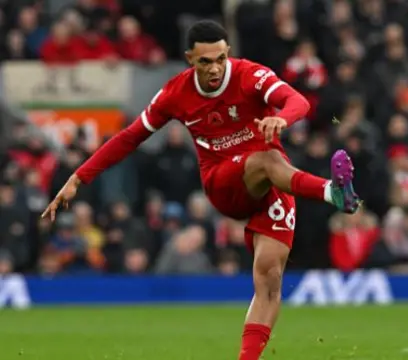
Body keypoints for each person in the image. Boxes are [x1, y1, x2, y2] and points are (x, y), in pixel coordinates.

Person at [41, 20, 361, 360]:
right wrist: (79, 177)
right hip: (223, 182)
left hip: (273, 182)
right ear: (189, 60)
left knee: (269, 277)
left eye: (221, 58)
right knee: (267, 158)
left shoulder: (250, 75)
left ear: (229, 54)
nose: (215, 68)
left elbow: (297, 101)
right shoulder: (175, 94)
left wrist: (283, 118)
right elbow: (130, 137)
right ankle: (332, 192)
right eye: (205, 61)